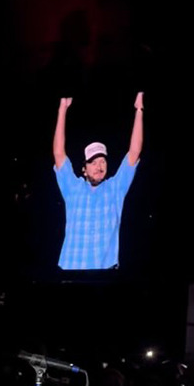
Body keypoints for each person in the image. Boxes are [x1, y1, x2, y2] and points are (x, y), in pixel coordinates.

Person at [52, 93, 143, 270]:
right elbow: (58, 153)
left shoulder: (116, 188)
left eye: (102, 162)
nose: (99, 166)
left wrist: (139, 109)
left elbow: (134, 151)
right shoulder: (73, 187)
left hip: (105, 273)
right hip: (71, 270)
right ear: (84, 169)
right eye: (93, 162)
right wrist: (62, 108)